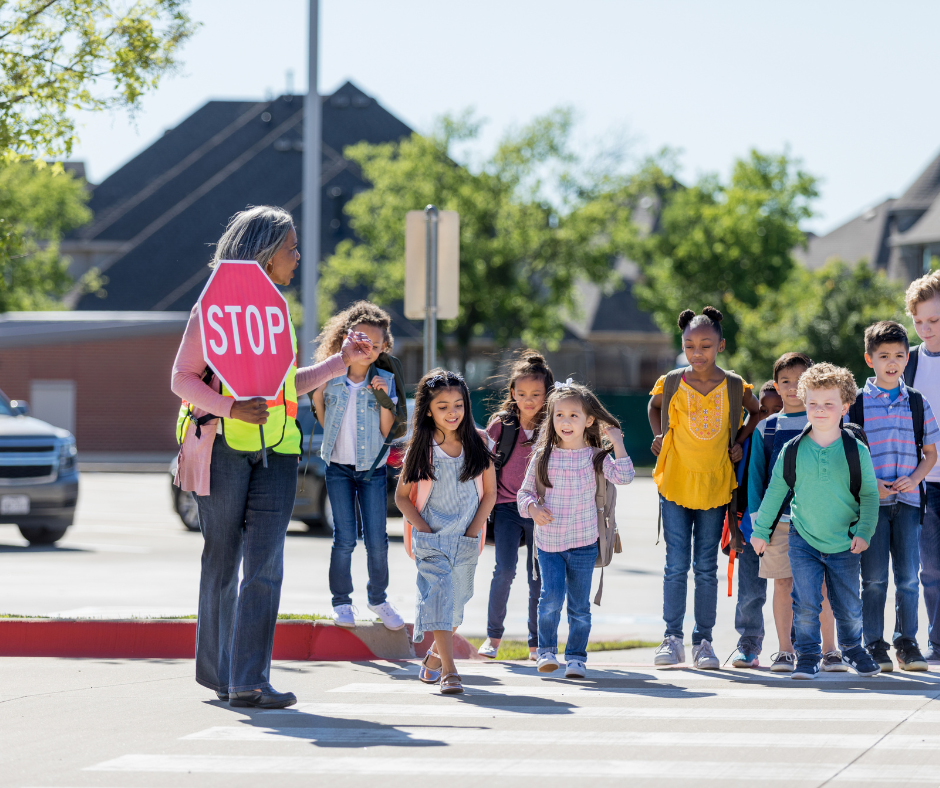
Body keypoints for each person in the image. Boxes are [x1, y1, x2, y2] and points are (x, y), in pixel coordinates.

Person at [172, 205, 373, 709]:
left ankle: (250, 680)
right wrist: (230, 406)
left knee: (265, 566)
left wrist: (338, 363)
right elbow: (181, 379)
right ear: (262, 252)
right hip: (224, 449)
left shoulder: (275, 311)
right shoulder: (213, 310)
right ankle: (223, 675)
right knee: (223, 559)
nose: (298, 257)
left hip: (279, 452)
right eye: (291, 247)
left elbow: (288, 385)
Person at [751, 363, 882, 680]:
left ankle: (852, 649)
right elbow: (775, 493)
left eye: (829, 404)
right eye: (813, 404)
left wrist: (864, 532)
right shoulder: (792, 450)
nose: (820, 410)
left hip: (844, 541)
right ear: (804, 402)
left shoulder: (856, 449)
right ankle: (808, 655)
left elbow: (869, 495)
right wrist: (760, 531)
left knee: (848, 605)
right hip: (803, 539)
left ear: (844, 406)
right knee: (806, 603)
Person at [648, 307, 760, 669]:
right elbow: (653, 406)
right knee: (675, 564)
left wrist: (741, 439)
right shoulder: (672, 381)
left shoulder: (733, 384)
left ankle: (703, 641)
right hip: (676, 480)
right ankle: (672, 638)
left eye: (706, 346)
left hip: (715, 482)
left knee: (706, 566)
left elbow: (756, 412)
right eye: (690, 345)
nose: (698, 353)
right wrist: (660, 435)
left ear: (721, 346)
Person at [732, 353, 846, 673]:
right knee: (782, 585)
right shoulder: (766, 428)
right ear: (777, 387)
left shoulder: (825, 425)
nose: (793, 387)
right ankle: (785, 651)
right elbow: (756, 481)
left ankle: (830, 650)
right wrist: (757, 526)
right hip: (778, 525)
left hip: (820, 523)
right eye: (785, 382)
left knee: (820, 587)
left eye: (799, 381)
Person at [517, 380, 635, 678]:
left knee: (580, 607)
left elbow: (624, 476)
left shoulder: (596, 457)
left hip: (584, 542)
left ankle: (576, 658)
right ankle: (546, 651)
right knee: (551, 598)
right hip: (549, 543)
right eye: (559, 415)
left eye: (573, 415)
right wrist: (533, 508)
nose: (565, 422)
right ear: (551, 418)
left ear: (589, 420)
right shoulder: (543, 455)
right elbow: (524, 494)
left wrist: (617, 442)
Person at [395, 370, 497, 695]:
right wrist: (422, 528)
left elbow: (491, 493)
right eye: (443, 407)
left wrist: (473, 530)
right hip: (431, 541)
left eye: (458, 405)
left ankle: (435, 656)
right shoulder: (421, 448)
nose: (452, 412)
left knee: (456, 609)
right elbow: (401, 496)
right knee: (439, 600)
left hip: (466, 538)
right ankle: (450, 673)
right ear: (428, 410)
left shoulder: (479, 443)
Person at [311, 301, 404, 632]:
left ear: (383, 349)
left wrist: (383, 398)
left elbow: (386, 429)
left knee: (377, 539)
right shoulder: (331, 376)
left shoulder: (384, 379)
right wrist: (320, 390)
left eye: (376, 346)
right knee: (345, 538)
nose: (368, 350)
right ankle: (342, 601)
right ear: (347, 339)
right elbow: (322, 417)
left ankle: (378, 598)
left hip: (371, 470)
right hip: (337, 468)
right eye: (363, 342)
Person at [856, 321, 938, 671]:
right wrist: (871, 483)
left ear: (907, 358)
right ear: (869, 358)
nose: (893, 362)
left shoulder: (918, 402)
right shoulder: (856, 405)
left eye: (900, 356)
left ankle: (907, 643)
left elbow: (931, 454)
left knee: (907, 577)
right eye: (884, 356)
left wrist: (914, 479)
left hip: (907, 505)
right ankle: (874, 644)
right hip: (871, 505)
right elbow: (849, 455)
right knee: (873, 579)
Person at [478, 352, 554, 661]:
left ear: (547, 394)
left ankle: (536, 645)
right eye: (521, 394)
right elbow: (481, 460)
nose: (529, 400)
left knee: (537, 578)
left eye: (536, 394)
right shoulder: (502, 425)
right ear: (512, 393)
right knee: (504, 571)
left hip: (541, 511)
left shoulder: (554, 424)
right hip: (507, 508)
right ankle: (493, 638)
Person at [904, 271, 940, 662]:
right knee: (930, 570)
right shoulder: (909, 363)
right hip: (923, 483)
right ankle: (938, 643)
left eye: (934, 320)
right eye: (919, 322)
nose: (925, 329)